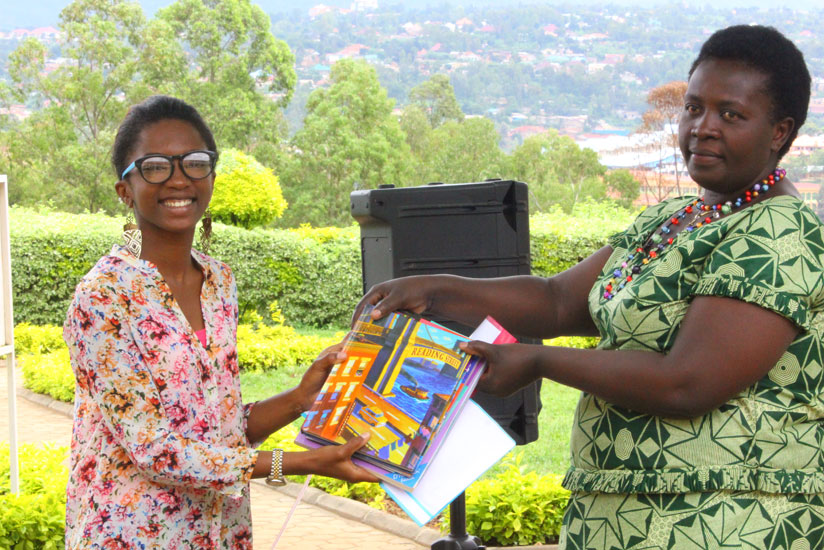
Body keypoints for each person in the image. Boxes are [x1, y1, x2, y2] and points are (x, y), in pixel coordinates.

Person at [358, 25, 824, 549]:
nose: (703, 127)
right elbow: (557, 301)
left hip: (726, 521)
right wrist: (435, 290)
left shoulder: (780, 233)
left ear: (780, 132)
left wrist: (539, 364)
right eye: (694, 108)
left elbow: (687, 383)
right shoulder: (675, 219)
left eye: (731, 114)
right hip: (617, 520)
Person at [63, 95, 377, 549]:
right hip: (132, 536)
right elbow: (157, 451)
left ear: (210, 175)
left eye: (194, 162)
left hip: (220, 532)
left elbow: (217, 431)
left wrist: (299, 399)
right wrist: (299, 463)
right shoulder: (103, 297)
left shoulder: (218, 282)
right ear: (124, 190)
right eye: (155, 166)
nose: (178, 178)